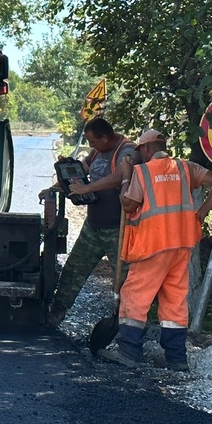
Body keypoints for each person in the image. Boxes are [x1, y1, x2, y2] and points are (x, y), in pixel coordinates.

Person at [100, 129, 212, 371]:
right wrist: (201, 213)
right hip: (181, 245)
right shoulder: (185, 168)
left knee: (135, 296)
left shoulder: (142, 172)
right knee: (174, 301)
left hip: (152, 245)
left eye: (141, 151)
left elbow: (128, 205)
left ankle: (128, 352)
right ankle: (177, 358)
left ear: (146, 149)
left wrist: (126, 177)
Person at [46, 117, 142, 325]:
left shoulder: (128, 152)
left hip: (119, 230)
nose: (90, 146)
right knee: (74, 270)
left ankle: (128, 325)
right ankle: (55, 313)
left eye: (93, 141)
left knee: (125, 280)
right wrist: (56, 187)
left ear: (106, 137)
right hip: (94, 226)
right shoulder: (97, 152)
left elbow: (120, 176)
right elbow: (80, 171)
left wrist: (88, 188)